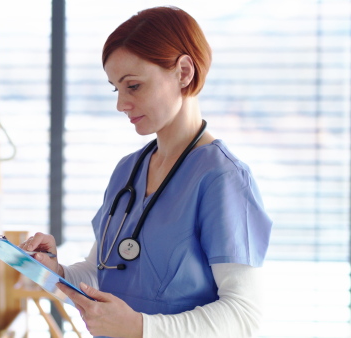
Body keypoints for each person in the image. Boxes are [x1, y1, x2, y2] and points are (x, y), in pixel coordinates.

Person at [20, 6, 272, 338]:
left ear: (183, 72)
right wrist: (55, 272)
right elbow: (103, 275)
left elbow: (244, 316)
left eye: (133, 86)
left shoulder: (222, 178)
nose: (121, 103)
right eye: (116, 88)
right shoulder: (128, 171)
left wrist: (142, 327)